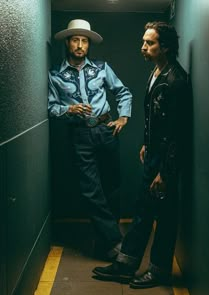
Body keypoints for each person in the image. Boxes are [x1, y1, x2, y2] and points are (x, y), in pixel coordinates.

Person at [92, 21, 189, 288]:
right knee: (143, 211)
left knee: (165, 216)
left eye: (150, 42)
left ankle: (159, 271)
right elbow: (156, 120)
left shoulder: (176, 80)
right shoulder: (158, 72)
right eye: (144, 41)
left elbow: (176, 133)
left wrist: (165, 173)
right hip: (154, 155)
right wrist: (147, 143)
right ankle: (126, 264)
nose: (143, 47)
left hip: (165, 162)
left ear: (165, 47)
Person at [48, 19, 132, 260]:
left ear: (88, 45)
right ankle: (116, 242)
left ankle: (105, 240)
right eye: (75, 40)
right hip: (80, 134)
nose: (80, 45)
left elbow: (123, 91)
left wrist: (123, 117)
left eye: (84, 41)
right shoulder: (55, 75)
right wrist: (69, 110)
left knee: (112, 186)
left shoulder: (102, 67)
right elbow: (51, 107)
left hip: (106, 130)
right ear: (67, 42)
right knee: (90, 190)